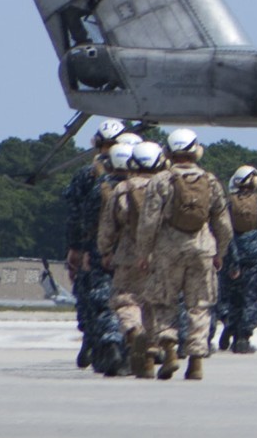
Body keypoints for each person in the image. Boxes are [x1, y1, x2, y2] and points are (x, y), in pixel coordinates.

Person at [139, 128, 232, 380]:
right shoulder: (210, 180)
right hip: (202, 248)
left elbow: (148, 222)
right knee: (200, 305)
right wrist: (220, 252)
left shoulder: (161, 180)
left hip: (168, 248)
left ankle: (169, 349)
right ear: (195, 151)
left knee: (164, 301)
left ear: (168, 152)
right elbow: (223, 223)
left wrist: (143, 252)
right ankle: (196, 362)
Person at [61, 120, 128, 372]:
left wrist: (75, 248)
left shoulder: (86, 175)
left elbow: (76, 215)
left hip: (95, 246)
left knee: (92, 297)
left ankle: (93, 341)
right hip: (129, 249)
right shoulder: (136, 177)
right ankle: (117, 346)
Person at [96, 138, 164, 378]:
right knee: (154, 304)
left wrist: (105, 251)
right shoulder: (167, 185)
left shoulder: (122, 189)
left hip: (127, 255)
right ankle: (150, 352)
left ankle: (133, 330)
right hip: (159, 254)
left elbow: (108, 225)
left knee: (126, 300)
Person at [216, 164, 257, 355]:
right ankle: (243, 338)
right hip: (256, 257)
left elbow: (219, 228)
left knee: (233, 297)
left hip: (231, 254)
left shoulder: (227, 203)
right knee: (253, 298)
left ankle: (231, 327)